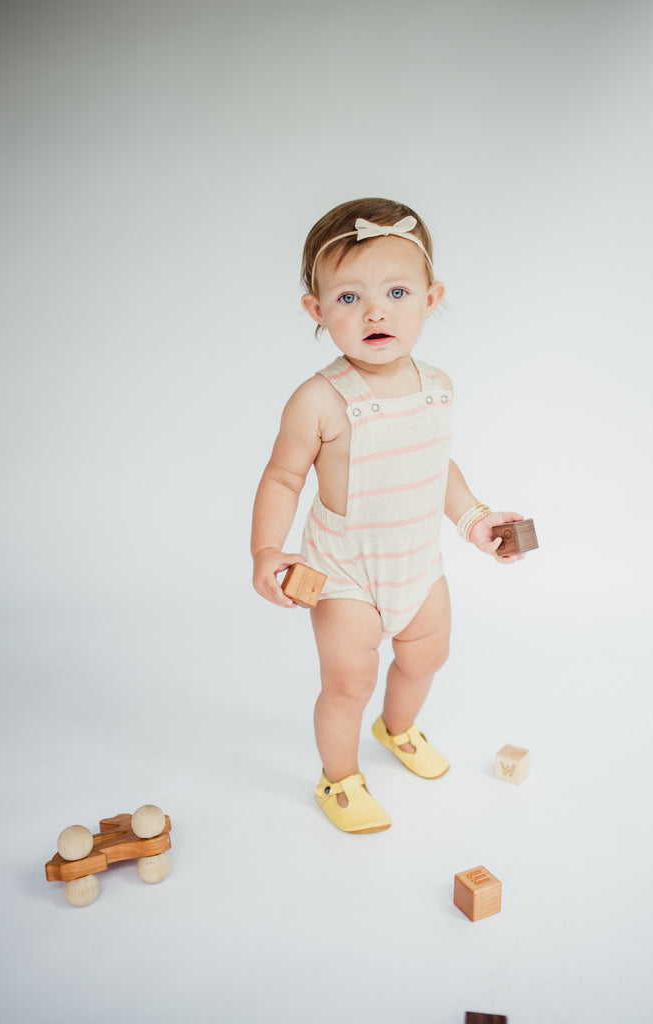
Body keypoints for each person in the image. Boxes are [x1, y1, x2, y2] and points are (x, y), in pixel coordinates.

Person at [251, 197, 526, 835]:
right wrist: (268, 551)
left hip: (418, 564)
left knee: (428, 655)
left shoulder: (438, 385)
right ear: (316, 311)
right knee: (349, 682)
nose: (375, 311)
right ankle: (339, 776)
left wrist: (475, 519)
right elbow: (283, 477)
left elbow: (438, 466)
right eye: (348, 298)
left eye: (396, 291)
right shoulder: (319, 399)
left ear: (430, 299)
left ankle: (397, 727)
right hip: (345, 571)